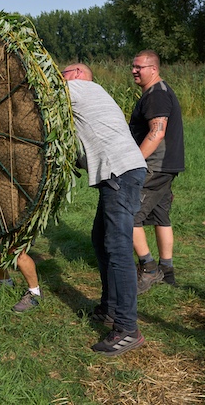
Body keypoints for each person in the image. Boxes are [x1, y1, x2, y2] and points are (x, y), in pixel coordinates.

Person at [63, 63, 148, 356]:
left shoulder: (78, 87)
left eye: (63, 72)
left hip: (119, 173)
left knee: (118, 249)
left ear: (77, 73)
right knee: (100, 239)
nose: (60, 76)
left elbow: (42, 93)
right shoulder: (94, 93)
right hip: (122, 172)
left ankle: (127, 328)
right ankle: (110, 308)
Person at [129, 50, 185, 294]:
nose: (134, 71)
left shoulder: (156, 95)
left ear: (153, 69)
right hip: (166, 165)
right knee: (161, 216)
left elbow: (157, 131)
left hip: (155, 165)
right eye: (133, 66)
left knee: (129, 214)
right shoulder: (158, 91)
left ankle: (149, 268)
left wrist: (134, 161)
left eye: (139, 67)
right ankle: (167, 270)